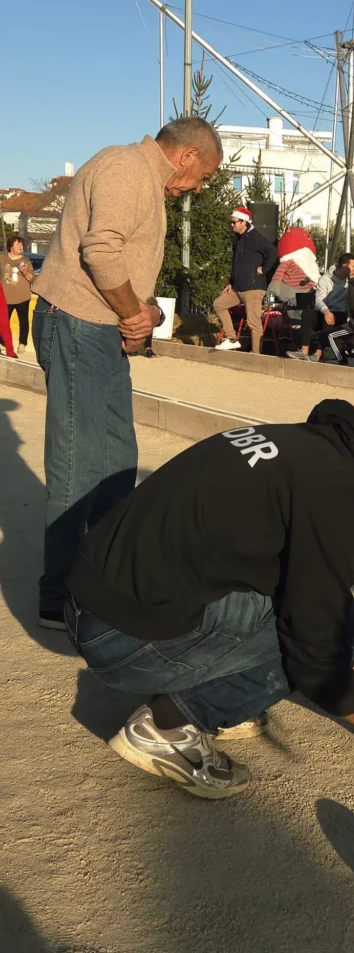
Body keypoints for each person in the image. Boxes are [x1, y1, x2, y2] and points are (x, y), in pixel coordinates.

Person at [65, 385, 354, 798]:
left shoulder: (294, 440)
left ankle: (220, 697)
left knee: (335, 617)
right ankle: (167, 725)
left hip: (90, 596)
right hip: (118, 634)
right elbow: (314, 659)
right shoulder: (335, 493)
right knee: (328, 630)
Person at [31, 117, 223, 631]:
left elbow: (127, 267)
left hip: (99, 328)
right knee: (79, 460)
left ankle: (112, 575)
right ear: (186, 157)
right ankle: (60, 598)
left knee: (118, 457)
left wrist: (143, 314)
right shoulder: (124, 168)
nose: (201, 187)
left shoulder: (143, 178)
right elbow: (101, 250)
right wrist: (131, 313)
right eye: (204, 175)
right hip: (76, 322)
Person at [213, 207, 278, 353]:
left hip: (254, 288)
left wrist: (264, 269)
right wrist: (231, 282)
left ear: (244, 222)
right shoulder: (238, 239)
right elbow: (236, 263)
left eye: (234, 222)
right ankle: (231, 338)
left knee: (254, 323)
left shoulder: (256, 238)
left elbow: (273, 252)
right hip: (239, 288)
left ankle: (256, 356)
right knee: (219, 304)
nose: (232, 225)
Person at [270, 227, 321, 361]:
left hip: (309, 297)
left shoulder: (311, 268)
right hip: (293, 296)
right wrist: (269, 301)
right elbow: (275, 282)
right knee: (312, 305)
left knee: (320, 306)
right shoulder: (288, 263)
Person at [314, 253, 354, 363]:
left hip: (342, 313)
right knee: (327, 320)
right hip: (327, 311)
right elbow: (319, 300)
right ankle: (340, 359)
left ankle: (317, 353)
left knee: (332, 324)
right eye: (353, 266)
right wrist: (326, 311)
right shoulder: (325, 279)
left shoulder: (351, 281)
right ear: (344, 266)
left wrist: (353, 282)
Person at [0, 234, 35, 354]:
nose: (20, 246)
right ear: (11, 246)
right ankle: (3, 343)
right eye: (17, 244)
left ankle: (22, 344)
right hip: (5, 298)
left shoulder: (25, 260)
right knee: (3, 322)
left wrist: (25, 272)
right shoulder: (2, 259)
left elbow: (31, 279)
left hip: (22, 297)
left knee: (24, 321)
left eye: (21, 244)